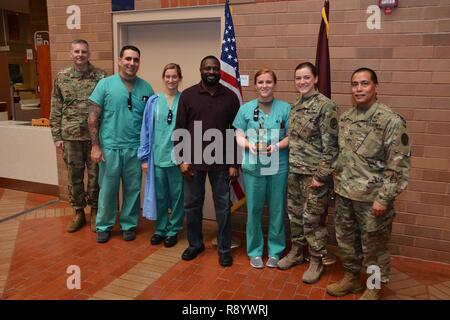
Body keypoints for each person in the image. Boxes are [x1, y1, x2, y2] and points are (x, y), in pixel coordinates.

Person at [326, 68, 410, 300]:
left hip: (372, 199)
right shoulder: (346, 118)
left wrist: (384, 198)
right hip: (345, 195)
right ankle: (352, 278)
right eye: (355, 84)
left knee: (374, 247)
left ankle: (373, 286)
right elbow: (341, 154)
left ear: (376, 87)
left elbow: (398, 165)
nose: (359, 89)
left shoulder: (389, 121)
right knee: (346, 241)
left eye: (364, 84)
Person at [174, 55, 240, 267]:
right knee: (192, 205)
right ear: (200, 70)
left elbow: (235, 132)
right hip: (193, 163)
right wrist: (181, 160)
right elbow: (180, 130)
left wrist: (234, 163)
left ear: (220, 71)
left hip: (221, 163)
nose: (211, 72)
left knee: (223, 207)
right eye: (207, 68)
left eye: (215, 68)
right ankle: (195, 244)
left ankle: (223, 248)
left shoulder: (230, 97)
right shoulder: (188, 95)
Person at [278, 62, 338, 284]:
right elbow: (294, 139)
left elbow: (331, 147)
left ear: (315, 79)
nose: (301, 82)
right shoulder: (296, 105)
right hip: (295, 171)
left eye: (306, 77)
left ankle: (316, 259)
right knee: (294, 215)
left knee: (312, 219)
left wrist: (320, 177)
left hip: (314, 176)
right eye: (298, 78)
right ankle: (297, 251)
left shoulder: (325, 106)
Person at [87, 45, 154, 243]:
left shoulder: (146, 88)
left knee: (133, 190)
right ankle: (104, 225)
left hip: (135, 148)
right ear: (119, 60)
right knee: (107, 189)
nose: (131, 63)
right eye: (128, 59)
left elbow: (150, 122)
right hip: (110, 148)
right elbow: (92, 118)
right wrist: (95, 146)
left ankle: (128, 224)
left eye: (135, 60)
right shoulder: (105, 85)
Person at [232, 69, 290, 269]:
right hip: (253, 167)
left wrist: (276, 146)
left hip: (278, 168)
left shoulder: (285, 109)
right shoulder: (246, 109)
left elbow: (292, 136)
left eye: (268, 82)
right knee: (254, 211)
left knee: (276, 210)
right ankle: (255, 251)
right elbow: (238, 134)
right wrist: (248, 145)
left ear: (274, 84)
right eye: (260, 82)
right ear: (255, 85)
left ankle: (275, 250)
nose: (264, 86)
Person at [50, 39, 106, 233]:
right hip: (70, 136)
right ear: (71, 54)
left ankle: (95, 212)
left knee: (95, 177)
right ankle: (78, 213)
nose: (80, 54)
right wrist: (56, 135)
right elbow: (56, 106)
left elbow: (106, 109)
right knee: (74, 177)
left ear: (89, 54)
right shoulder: (62, 77)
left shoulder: (100, 76)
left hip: (95, 139)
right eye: (76, 51)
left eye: (83, 51)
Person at [138, 63, 184, 248]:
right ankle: (161, 229)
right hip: (157, 158)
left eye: (174, 76)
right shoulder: (154, 101)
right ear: (163, 78)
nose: (171, 80)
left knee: (179, 195)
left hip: (177, 159)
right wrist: (144, 157)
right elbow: (145, 130)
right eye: (168, 76)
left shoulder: (186, 99)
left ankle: (174, 229)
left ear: (180, 78)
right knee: (161, 196)